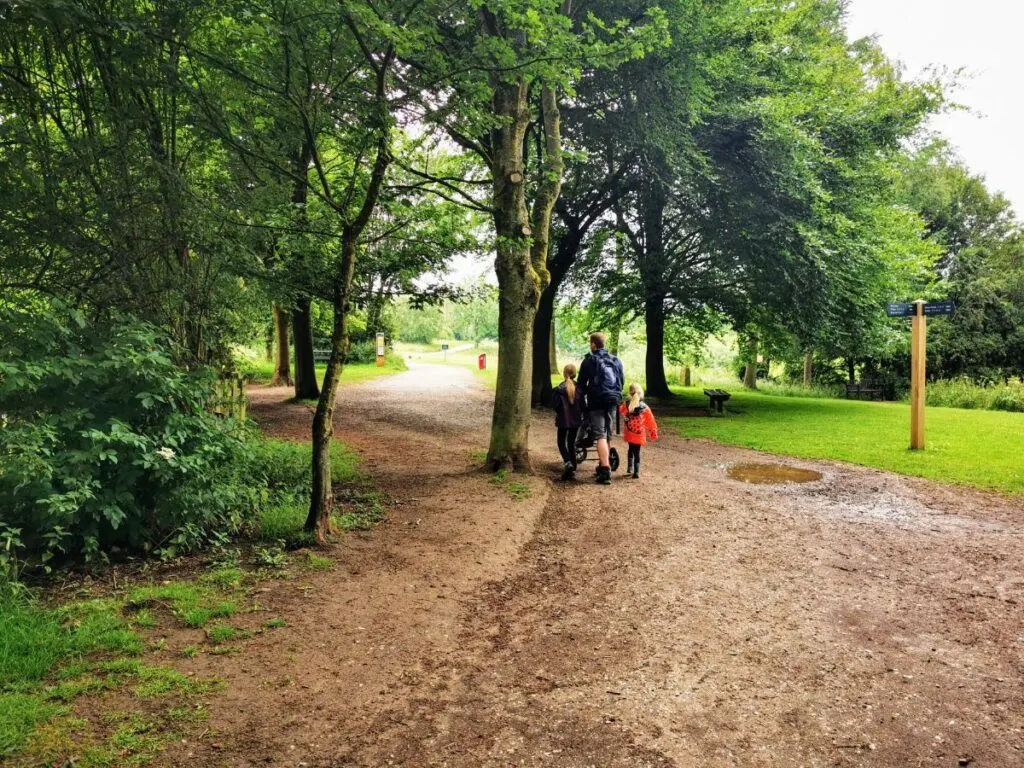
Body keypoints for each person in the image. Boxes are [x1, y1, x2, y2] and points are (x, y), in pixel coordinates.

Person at [576, 332, 625, 485]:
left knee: (600, 436)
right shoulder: (616, 360)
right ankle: (605, 462)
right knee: (607, 434)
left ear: (593, 345)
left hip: (596, 401)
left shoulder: (589, 361)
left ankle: (605, 469)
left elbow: (581, 385)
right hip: (612, 401)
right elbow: (621, 382)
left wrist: (581, 402)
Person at [619, 383, 658, 479]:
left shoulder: (626, 404)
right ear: (641, 393)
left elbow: (621, 411)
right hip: (639, 433)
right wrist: (653, 433)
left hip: (629, 432)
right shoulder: (645, 407)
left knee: (630, 449)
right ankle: (636, 472)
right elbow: (651, 421)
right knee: (637, 452)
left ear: (630, 393)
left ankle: (629, 468)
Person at [553, 363, 583, 480]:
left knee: (561, 442)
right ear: (575, 374)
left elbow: (556, 406)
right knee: (571, 442)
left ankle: (567, 462)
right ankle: (573, 466)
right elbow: (582, 406)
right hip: (576, 420)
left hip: (563, 420)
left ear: (564, 373)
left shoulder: (559, 389)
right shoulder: (579, 389)